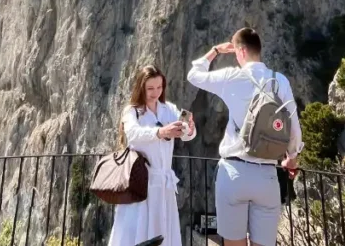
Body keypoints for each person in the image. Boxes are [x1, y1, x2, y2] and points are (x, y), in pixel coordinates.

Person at [187, 28, 303, 246]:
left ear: (240, 51)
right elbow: (293, 126)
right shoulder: (279, 81)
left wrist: (214, 51)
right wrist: (292, 157)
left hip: (233, 174)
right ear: (258, 50)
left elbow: (193, 76)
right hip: (267, 175)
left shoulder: (232, 77)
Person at [108, 66, 196, 246]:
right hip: (142, 183)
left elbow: (187, 135)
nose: (156, 92)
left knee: (164, 231)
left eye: (159, 87)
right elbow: (134, 134)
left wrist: (189, 129)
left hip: (164, 183)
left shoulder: (168, 109)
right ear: (141, 88)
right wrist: (161, 132)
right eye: (150, 88)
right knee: (137, 232)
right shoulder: (132, 112)